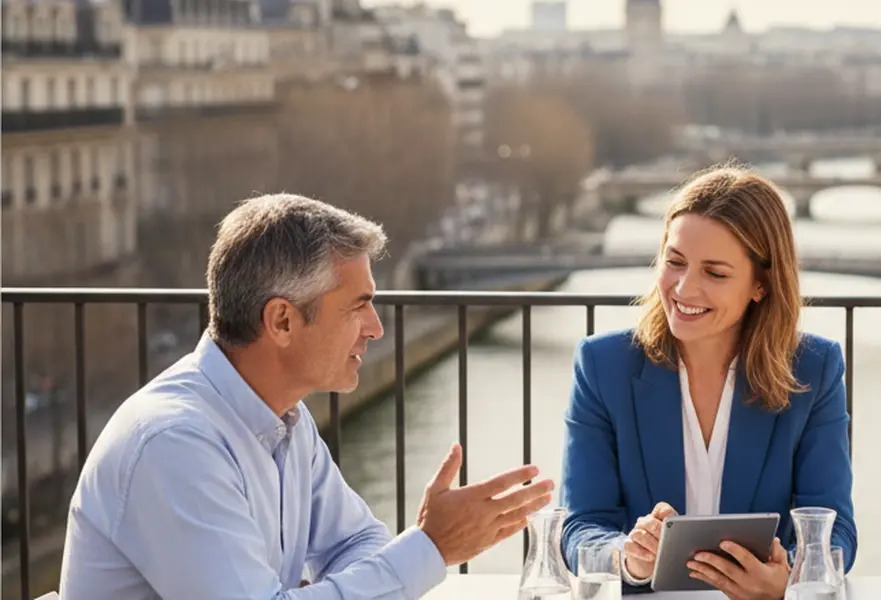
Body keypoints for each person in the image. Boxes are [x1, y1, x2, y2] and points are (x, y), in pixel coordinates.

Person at [59, 194, 555, 599]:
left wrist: (416, 555)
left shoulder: (284, 420)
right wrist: (430, 548)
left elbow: (356, 541)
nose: (376, 328)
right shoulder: (174, 445)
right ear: (281, 321)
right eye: (358, 307)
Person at [559, 166, 857, 599]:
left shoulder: (814, 369)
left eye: (714, 273)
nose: (684, 288)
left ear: (761, 285)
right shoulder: (603, 366)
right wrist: (628, 557)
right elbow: (581, 528)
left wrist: (789, 577)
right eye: (675, 262)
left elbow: (834, 529)